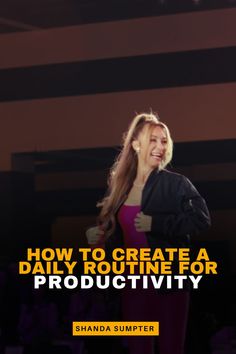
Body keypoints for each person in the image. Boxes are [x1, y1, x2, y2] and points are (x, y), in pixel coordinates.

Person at [86, 112, 211, 354]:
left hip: (168, 283)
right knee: (138, 348)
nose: (160, 147)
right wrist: (97, 239)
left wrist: (157, 223)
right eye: (153, 140)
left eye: (164, 141)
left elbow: (201, 219)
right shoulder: (120, 188)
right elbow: (116, 240)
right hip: (133, 285)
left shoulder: (176, 184)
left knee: (171, 348)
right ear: (135, 144)